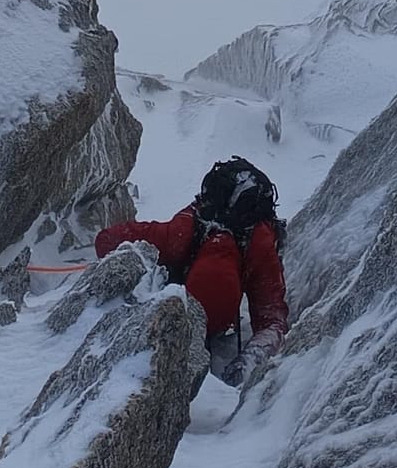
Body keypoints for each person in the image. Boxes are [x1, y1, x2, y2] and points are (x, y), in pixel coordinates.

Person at [94, 155, 287, 383]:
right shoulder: (183, 232)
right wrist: (248, 360)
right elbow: (271, 322)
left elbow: (273, 318)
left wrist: (249, 361)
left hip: (242, 241)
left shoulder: (259, 247)